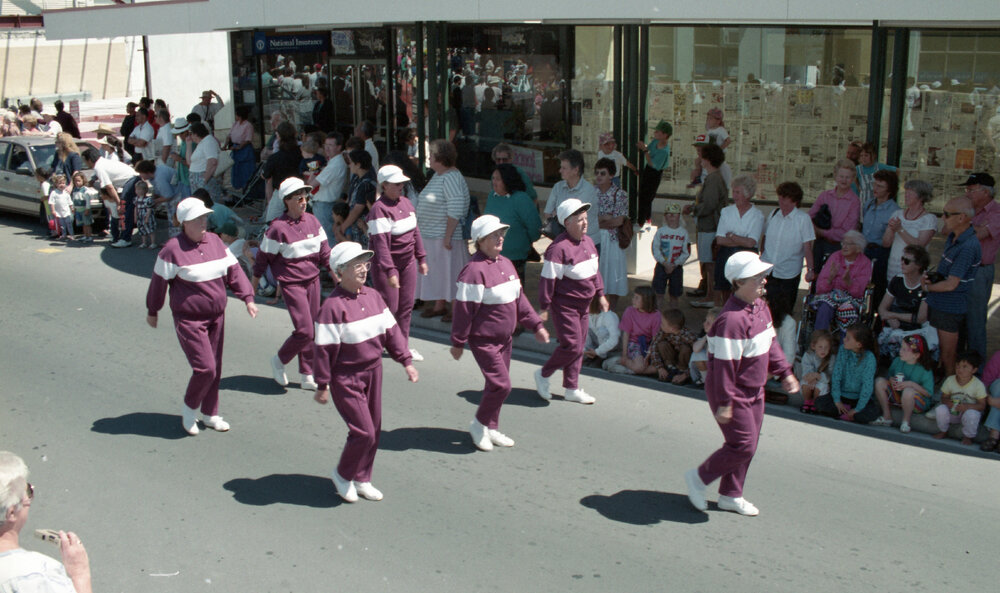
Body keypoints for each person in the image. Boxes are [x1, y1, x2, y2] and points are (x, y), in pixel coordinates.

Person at [684, 252, 799, 517]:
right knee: (743, 444)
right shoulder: (730, 321)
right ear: (739, 281)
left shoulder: (760, 307)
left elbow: (771, 343)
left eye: (763, 276)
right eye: (757, 277)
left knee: (748, 444)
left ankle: (730, 495)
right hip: (732, 392)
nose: (764, 282)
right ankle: (698, 478)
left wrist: (785, 372)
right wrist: (725, 402)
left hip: (754, 389)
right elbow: (723, 368)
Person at [313, 242, 419, 502]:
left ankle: (363, 477)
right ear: (340, 271)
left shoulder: (373, 296)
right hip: (346, 377)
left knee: (375, 428)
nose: (363, 269)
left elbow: (391, 332)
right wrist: (323, 384)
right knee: (363, 431)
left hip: (374, 371)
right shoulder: (332, 307)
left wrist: (406, 360)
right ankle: (342, 474)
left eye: (364, 263)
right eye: (356, 264)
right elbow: (324, 350)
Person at [146, 197, 258, 435]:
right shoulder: (172, 250)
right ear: (184, 222)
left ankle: (211, 413)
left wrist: (247, 297)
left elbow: (234, 272)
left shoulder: (216, 241)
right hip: (189, 319)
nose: (204, 222)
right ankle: (189, 409)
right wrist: (153, 310)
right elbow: (158, 283)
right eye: (197, 219)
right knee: (205, 368)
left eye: (205, 217)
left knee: (215, 367)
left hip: (217, 316)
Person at [451, 215, 549, 451]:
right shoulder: (473, 271)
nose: (500, 237)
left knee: (493, 386)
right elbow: (464, 310)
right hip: (484, 342)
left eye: (501, 233)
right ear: (481, 240)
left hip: (505, 340)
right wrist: (458, 341)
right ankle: (479, 425)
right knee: (502, 385)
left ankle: (491, 427)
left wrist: (536, 325)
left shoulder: (506, 263)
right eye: (494, 234)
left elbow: (520, 301)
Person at [253, 177, 331, 391]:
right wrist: (252, 286)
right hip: (291, 284)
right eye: (298, 198)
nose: (303, 201)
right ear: (287, 201)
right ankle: (279, 360)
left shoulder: (313, 221)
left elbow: (325, 252)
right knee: (304, 330)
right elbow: (262, 258)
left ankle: (307, 374)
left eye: (305, 197)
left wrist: (336, 274)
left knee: (313, 329)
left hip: (313, 281)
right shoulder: (277, 228)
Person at [535, 198, 608, 405]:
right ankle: (543, 374)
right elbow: (547, 280)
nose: (585, 223)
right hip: (564, 306)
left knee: (579, 345)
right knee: (573, 346)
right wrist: (544, 306)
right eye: (579, 219)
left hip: (584, 306)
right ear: (566, 222)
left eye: (585, 218)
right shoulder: (558, 249)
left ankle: (571, 388)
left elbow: (594, 273)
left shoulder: (589, 242)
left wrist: (600, 294)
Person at [0, 451, 93, 593]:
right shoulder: (36, 575)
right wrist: (80, 574)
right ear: (11, 512)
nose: (32, 490)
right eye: (28, 490)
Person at [367, 165, 428, 361]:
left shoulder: (407, 204)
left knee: (406, 306)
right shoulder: (379, 210)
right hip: (386, 266)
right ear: (384, 185)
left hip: (408, 263)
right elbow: (381, 246)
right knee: (389, 307)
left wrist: (422, 258)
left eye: (402, 183)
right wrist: (390, 271)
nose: (401, 186)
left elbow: (415, 232)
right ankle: (374, 343)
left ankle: (402, 346)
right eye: (396, 183)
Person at [924, 196, 981, 377]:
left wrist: (926, 288)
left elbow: (951, 284)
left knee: (948, 354)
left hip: (949, 308)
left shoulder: (968, 246)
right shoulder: (954, 237)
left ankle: (948, 391)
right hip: (939, 304)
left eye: (947, 214)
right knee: (938, 350)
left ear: (962, 217)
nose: (943, 218)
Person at [414, 140, 470, 321]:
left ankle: (455, 308)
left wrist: (448, 236)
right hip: (432, 235)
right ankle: (439, 305)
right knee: (439, 272)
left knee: (451, 272)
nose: (429, 158)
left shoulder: (452, 177)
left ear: (441, 158)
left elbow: (456, 207)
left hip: (445, 236)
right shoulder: (439, 175)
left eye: (432, 155)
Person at [760, 181, 815, 359]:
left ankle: (784, 351)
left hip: (788, 273)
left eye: (785, 198)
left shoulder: (802, 219)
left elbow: (807, 246)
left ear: (794, 201)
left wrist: (811, 269)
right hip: (769, 270)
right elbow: (765, 237)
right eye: (780, 197)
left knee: (784, 314)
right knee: (765, 308)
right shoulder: (774, 214)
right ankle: (765, 346)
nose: (781, 201)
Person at [709, 174, 763, 307]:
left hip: (747, 256)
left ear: (748, 194)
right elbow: (720, 239)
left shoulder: (757, 215)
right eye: (733, 192)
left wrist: (732, 236)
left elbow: (751, 243)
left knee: (743, 289)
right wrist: (741, 239)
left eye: (738, 192)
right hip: (726, 254)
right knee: (724, 288)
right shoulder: (726, 211)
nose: (734, 195)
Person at [483, 163, 541, 285]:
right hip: (492, 255)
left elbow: (535, 228)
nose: (494, 182)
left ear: (507, 180)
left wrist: (524, 244)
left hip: (515, 257)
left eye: (498, 179)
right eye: (493, 178)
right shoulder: (492, 196)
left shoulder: (521, 199)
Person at [684, 143, 727, 308]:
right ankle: (710, 296)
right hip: (708, 225)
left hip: (710, 226)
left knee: (710, 265)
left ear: (707, 159)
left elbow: (709, 204)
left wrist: (694, 209)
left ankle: (713, 297)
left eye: (702, 156)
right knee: (709, 264)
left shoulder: (714, 178)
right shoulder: (713, 177)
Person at [963, 173, 999, 362]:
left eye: (971, 190)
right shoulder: (968, 210)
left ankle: (977, 370)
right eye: (966, 190)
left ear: (985, 192)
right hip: (960, 268)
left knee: (975, 321)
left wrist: (962, 224)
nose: (967, 193)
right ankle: (958, 366)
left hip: (979, 270)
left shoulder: (996, 212)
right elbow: (947, 229)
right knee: (957, 318)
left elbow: (979, 234)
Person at [876, 244, 936, 359]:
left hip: (918, 328)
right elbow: (882, 308)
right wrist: (890, 318)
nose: (902, 263)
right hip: (897, 326)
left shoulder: (925, 285)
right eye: (902, 259)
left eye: (907, 261)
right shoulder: (897, 280)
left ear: (918, 265)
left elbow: (921, 318)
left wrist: (893, 315)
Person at [815, 323, 880, 423]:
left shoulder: (869, 358)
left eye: (848, 338)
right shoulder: (843, 350)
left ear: (859, 344)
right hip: (842, 395)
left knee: (871, 413)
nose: (844, 339)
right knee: (819, 403)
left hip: (858, 399)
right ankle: (845, 411)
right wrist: (837, 400)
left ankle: (849, 412)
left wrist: (858, 408)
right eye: (845, 336)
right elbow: (837, 375)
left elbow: (867, 385)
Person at [811, 230, 872, 334]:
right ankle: (819, 341)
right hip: (830, 294)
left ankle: (844, 347)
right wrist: (830, 278)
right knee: (825, 306)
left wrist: (849, 283)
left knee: (847, 310)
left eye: (849, 244)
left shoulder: (865, 263)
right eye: (843, 243)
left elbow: (859, 293)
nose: (844, 246)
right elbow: (820, 288)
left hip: (851, 299)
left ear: (858, 248)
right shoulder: (835, 256)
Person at [872, 334, 935, 433]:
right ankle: (887, 416)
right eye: (901, 347)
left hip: (917, 403)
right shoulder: (898, 361)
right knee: (879, 382)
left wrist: (911, 384)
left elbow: (928, 393)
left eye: (905, 349)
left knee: (908, 391)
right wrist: (891, 379)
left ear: (916, 355)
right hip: (899, 396)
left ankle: (906, 422)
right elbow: (890, 375)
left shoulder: (925, 370)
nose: (900, 351)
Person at [809, 159, 861, 274]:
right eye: (841, 176)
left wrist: (820, 231)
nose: (844, 180)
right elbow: (809, 216)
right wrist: (813, 228)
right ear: (835, 176)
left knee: (834, 279)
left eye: (848, 177)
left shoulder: (854, 202)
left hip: (839, 247)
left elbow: (847, 232)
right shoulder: (825, 196)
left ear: (852, 179)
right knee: (816, 278)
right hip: (820, 245)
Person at [882, 179, 936, 283]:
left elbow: (919, 246)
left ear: (921, 196)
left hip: (914, 270)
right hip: (894, 268)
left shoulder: (929, 219)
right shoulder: (897, 214)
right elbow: (886, 243)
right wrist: (891, 230)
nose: (906, 195)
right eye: (906, 192)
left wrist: (900, 229)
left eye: (911, 193)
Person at [861, 169, 901, 305]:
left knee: (877, 285)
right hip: (864, 249)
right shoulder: (869, 204)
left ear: (889, 190)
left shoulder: (894, 210)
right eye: (875, 184)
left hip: (880, 251)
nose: (875, 189)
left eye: (880, 186)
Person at [594, 158, 630, 309]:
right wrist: (605, 218)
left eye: (603, 173)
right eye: (597, 173)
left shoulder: (620, 194)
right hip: (594, 238)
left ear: (611, 175)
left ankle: (612, 312)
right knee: (596, 274)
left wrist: (599, 221)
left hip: (613, 240)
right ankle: (596, 311)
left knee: (614, 275)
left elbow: (618, 221)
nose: (599, 176)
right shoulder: (591, 192)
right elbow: (588, 218)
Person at [543, 149, 600, 245]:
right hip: (564, 241)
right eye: (561, 167)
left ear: (576, 170)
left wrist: (557, 215)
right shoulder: (558, 187)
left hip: (587, 243)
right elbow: (547, 213)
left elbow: (575, 218)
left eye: (564, 168)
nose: (560, 171)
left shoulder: (588, 190)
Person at [932, 351, 986, 444]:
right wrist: (948, 402)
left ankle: (968, 436)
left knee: (972, 414)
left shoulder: (978, 385)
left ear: (974, 370)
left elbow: (982, 405)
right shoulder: (950, 380)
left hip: (968, 414)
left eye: (965, 366)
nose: (960, 369)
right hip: (954, 412)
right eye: (958, 366)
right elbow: (944, 397)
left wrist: (966, 407)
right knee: (940, 409)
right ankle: (944, 431)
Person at [308, 132, 348, 243]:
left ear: (339, 147)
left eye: (330, 145)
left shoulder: (336, 164)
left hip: (324, 206)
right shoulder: (333, 162)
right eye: (326, 145)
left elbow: (312, 185)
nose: (327, 148)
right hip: (323, 205)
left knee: (328, 240)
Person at [651, 203, 690, 310]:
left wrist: (675, 264)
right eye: (669, 214)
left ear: (679, 216)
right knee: (658, 294)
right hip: (661, 267)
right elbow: (655, 249)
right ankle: (656, 320)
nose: (672, 216)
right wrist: (664, 263)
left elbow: (686, 252)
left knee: (674, 296)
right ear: (665, 216)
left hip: (676, 268)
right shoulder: (660, 232)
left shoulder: (684, 233)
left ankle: (673, 320)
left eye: (675, 214)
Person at [645, 308, 698, 383]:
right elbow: (654, 347)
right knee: (662, 344)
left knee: (685, 349)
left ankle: (681, 372)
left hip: (684, 365)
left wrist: (686, 374)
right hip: (670, 360)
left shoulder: (689, 336)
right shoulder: (662, 331)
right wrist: (660, 367)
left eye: (663, 324)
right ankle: (669, 369)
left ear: (672, 329)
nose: (660, 325)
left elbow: (697, 359)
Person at [337, 149, 377, 248]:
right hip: (354, 226)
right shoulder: (357, 177)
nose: (349, 165)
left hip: (362, 228)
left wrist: (343, 226)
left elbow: (357, 209)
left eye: (350, 163)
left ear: (358, 165)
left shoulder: (366, 184)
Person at [635, 120, 672, 224]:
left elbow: (653, 164)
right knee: (643, 194)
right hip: (648, 170)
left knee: (648, 196)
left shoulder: (664, 151)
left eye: (658, 132)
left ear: (665, 135)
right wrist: (643, 147)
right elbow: (649, 148)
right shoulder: (655, 142)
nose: (655, 133)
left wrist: (645, 150)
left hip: (655, 173)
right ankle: (645, 218)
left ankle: (643, 220)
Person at [797, 329, 835, 414]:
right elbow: (806, 371)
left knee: (821, 386)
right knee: (805, 383)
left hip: (823, 382)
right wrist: (812, 377)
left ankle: (815, 403)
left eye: (826, 347)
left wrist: (818, 376)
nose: (823, 350)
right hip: (810, 379)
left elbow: (830, 376)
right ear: (814, 346)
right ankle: (807, 401)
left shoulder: (831, 358)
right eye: (820, 347)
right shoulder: (808, 355)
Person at [186, 122, 223, 205]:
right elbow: (189, 162)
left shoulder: (208, 141)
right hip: (196, 177)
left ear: (196, 134)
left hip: (203, 176)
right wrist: (188, 145)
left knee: (207, 203)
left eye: (191, 134)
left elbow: (213, 161)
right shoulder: (201, 143)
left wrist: (204, 179)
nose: (190, 137)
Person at [854, 142, 896, 209]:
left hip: (878, 201)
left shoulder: (879, 167)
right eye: (861, 156)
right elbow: (856, 181)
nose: (863, 158)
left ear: (873, 155)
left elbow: (897, 171)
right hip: (864, 201)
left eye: (866, 155)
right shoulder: (857, 169)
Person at [583, 295, 620, 368]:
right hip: (596, 346)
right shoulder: (587, 315)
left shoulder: (608, 316)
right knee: (583, 329)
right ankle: (589, 354)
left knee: (601, 331)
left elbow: (614, 339)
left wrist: (598, 352)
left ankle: (601, 357)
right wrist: (585, 350)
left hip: (611, 348)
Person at [227, 105, 255, 191]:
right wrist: (225, 145)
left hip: (244, 149)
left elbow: (247, 140)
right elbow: (229, 135)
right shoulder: (235, 124)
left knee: (245, 172)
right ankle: (237, 188)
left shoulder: (248, 125)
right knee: (236, 171)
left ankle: (246, 190)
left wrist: (239, 147)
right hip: (236, 148)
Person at [979, 351, 1000, 452]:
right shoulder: (998, 356)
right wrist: (990, 400)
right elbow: (985, 384)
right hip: (995, 395)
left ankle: (994, 437)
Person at [70, 171, 96, 243]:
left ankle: (89, 236)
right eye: (75, 181)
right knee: (83, 224)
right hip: (78, 210)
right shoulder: (75, 190)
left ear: (83, 180)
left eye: (78, 181)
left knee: (87, 224)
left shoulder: (85, 190)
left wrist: (87, 209)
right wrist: (73, 208)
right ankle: (85, 235)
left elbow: (88, 201)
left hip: (84, 209)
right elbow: (73, 199)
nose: (77, 182)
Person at [48, 174, 74, 240]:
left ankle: (71, 235)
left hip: (66, 212)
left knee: (69, 224)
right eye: (60, 183)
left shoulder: (66, 193)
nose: (62, 185)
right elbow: (52, 202)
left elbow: (70, 201)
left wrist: (72, 208)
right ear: (56, 184)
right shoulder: (54, 193)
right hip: (59, 212)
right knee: (62, 225)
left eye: (63, 183)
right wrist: (53, 210)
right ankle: (64, 234)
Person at [133, 180, 157, 249]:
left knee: (150, 229)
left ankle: (153, 243)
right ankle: (144, 243)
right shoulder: (136, 199)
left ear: (145, 190)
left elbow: (149, 209)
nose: (138, 191)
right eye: (137, 189)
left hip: (146, 215)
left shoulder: (148, 200)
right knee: (142, 230)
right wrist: (135, 216)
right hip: (139, 216)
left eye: (140, 189)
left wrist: (147, 217)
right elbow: (136, 208)